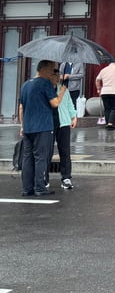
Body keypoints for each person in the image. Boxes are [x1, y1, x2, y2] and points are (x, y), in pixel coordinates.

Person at [18, 60, 65, 196]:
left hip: (28, 126)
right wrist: (62, 91)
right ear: (44, 69)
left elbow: (21, 107)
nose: (53, 73)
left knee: (28, 157)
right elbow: (55, 103)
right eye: (51, 70)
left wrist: (22, 125)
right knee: (41, 157)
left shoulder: (25, 85)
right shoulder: (45, 83)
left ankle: (27, 188)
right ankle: (40, 187)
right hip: (43, 126)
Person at [53, 74, 79, 189]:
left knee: (65, 152)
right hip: (49, 124)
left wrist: (74, 116)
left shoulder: (63, 89)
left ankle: (66, 177)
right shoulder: (46, 88)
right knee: (46, 152)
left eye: (57, 75)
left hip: (63, 122)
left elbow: (69, 103)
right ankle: (44, 178)